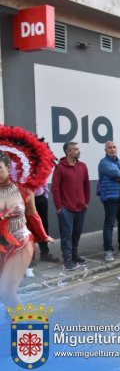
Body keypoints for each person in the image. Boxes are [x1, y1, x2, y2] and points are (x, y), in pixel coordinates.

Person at [0, 126, 55, 308]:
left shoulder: (24, 190)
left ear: (8, 168)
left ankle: (24, 329)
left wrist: (43, 236)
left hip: (19, 242)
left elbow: (32, 214)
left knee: (6, 291)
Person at [51, 142, 91, 270]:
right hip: (66, 209)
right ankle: (67, 259)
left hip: (80, 207)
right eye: (75, 149)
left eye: (78, 149)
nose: (78, 151)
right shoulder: (59, 168)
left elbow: (86, 185)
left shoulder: (83, 166)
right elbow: (55, 188)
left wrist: (86, 202)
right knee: (66, 235)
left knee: (77, 233)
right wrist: (58, 207)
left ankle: (74, 255)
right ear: (68, 152)